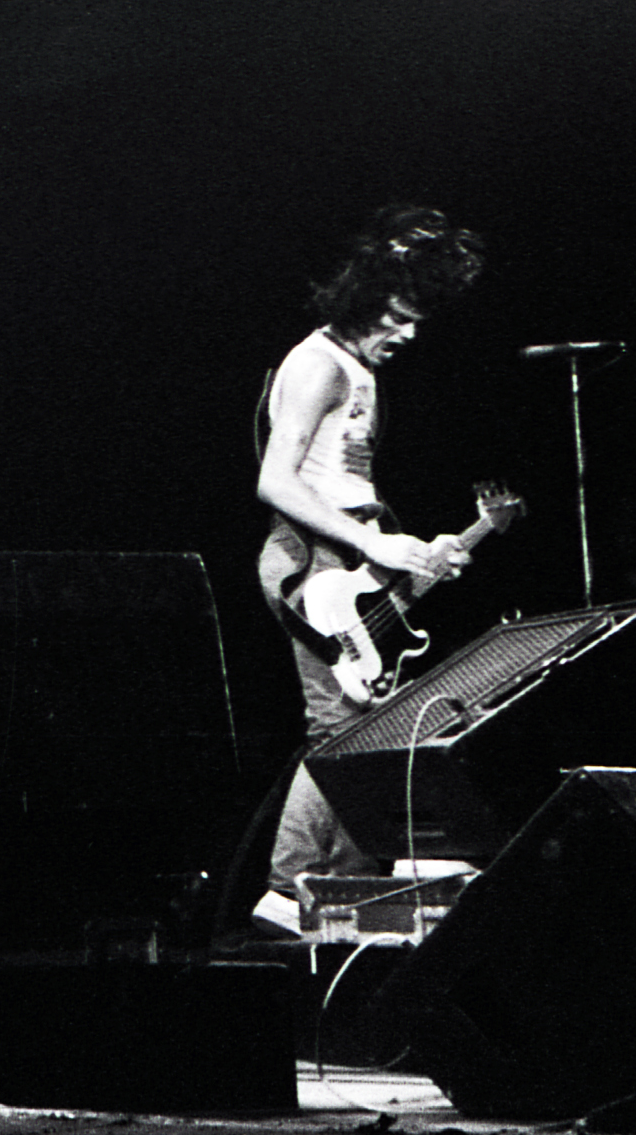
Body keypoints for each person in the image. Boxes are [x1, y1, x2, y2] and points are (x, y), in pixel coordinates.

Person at [248, 204, 485, 939]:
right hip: (311, 562)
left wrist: (406, 548)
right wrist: (374, 546)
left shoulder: (354, 367)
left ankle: (339, 893)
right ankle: (288, 894)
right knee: (343, 733)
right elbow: (276, 482)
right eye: (399, 314)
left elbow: (343, 482)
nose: (410, 333)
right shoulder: (317, 364)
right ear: (363, 299)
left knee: (372, 730)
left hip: (346, 555)